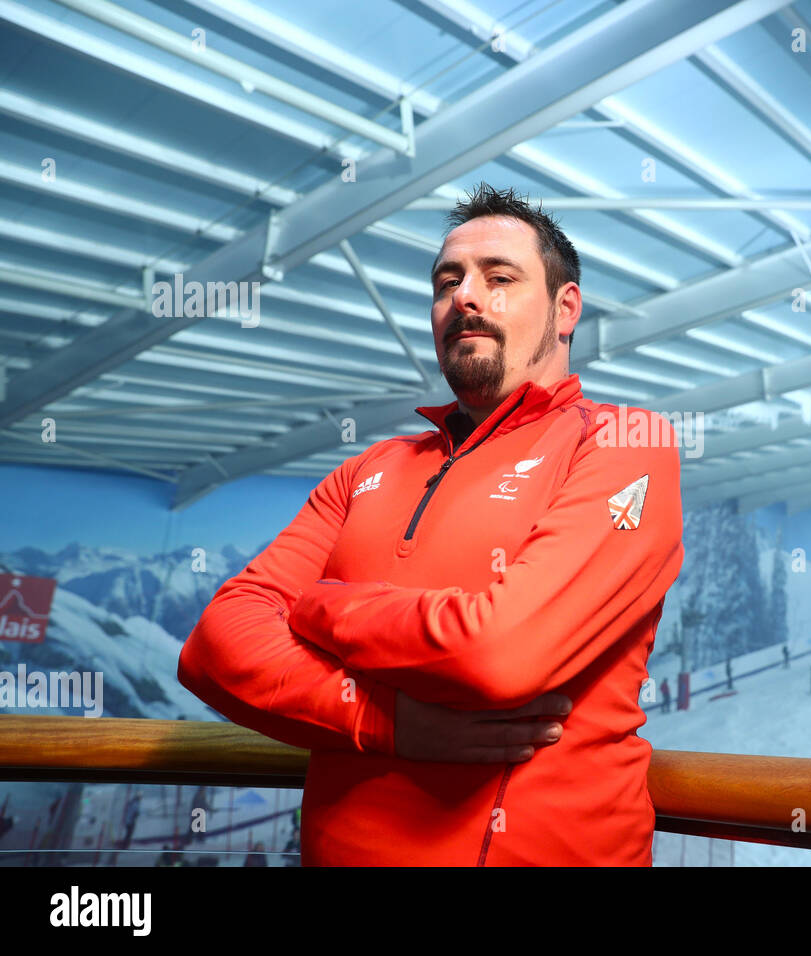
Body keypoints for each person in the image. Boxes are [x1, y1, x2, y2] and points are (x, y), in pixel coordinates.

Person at [179, 184, 685, 866]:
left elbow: (500, 655)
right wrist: (380, 720)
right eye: (448, 281)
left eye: (499, 277)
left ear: (566, 310)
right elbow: (216, 647)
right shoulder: (368, 470)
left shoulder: (626, 442)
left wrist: (323, 608)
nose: (465, 296)